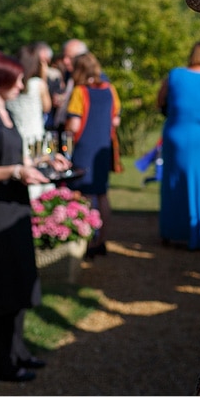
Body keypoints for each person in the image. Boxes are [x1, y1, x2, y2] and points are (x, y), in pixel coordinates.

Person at [0, 51, 70, 383]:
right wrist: (16, 171)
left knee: (21, 280)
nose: (23, 84)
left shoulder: (5, 112)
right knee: (2, 288)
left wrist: (45, 163)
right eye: (18, 79)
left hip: (16, 206)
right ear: (2, 79)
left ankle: (18, 350)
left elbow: (15, 158)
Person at [156, 41, 200, 250]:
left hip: (178, 136)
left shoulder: (175, 75)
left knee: (175, 183)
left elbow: (160, 102)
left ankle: (174, 231)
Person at [64, 52, 121, 259]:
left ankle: (85, 242)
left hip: (85, 147)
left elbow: (74, 124)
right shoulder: (110, 90)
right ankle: (102, 240)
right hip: (102, 148)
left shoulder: (80, 91)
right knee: (102, 194)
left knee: (84, 194)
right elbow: (116, 120)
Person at [6, 43, 52, 198]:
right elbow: (47, 107)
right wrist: (44, 76)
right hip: (35, 138)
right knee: (40, 178)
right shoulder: (38, 84)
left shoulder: (10, 84)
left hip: (16, 136)